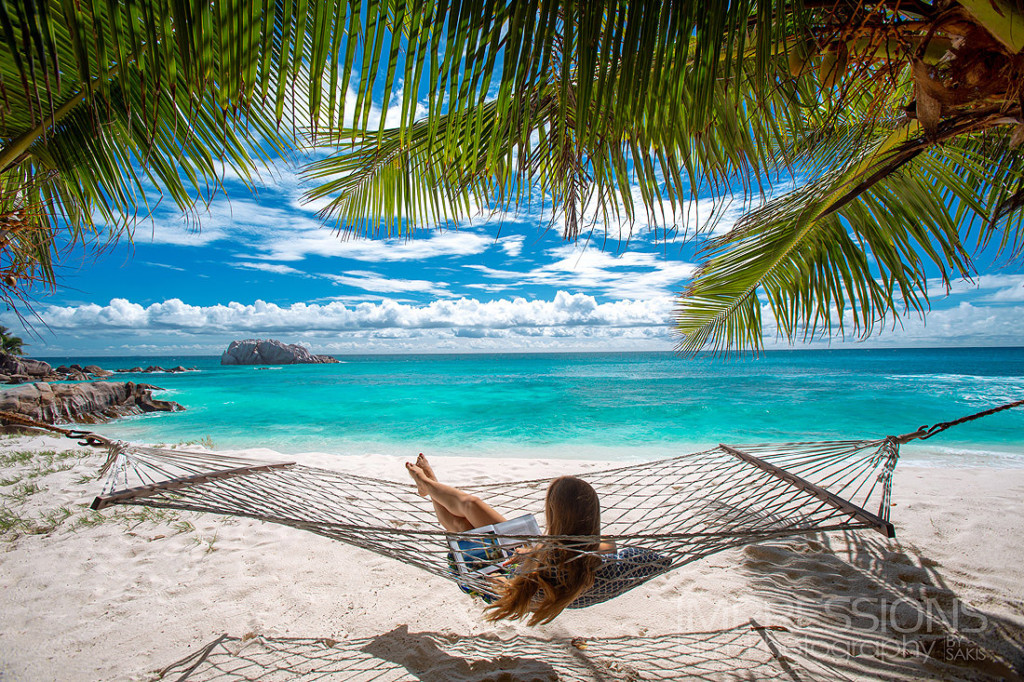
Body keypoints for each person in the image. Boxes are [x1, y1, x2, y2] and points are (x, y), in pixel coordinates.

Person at [406, 453, 613, 625]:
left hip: (502, 576)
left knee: (462, 526)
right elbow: (609, 547)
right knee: (472, 506)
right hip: (527, 552)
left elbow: (509, 588)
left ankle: (428, 485)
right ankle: (430, 485)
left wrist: (494, 573)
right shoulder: (589, 549)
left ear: (558, 517)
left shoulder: (559, 572)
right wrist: (535, 551)